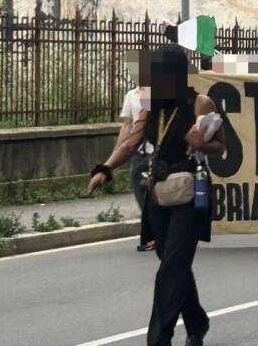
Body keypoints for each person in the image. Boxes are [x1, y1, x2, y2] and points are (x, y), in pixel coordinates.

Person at [89, 45, 225, 346]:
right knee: (170, 260)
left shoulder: (201, 103)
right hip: (159, 191)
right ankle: (197, 321)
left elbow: (221, 146)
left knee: (172, 267)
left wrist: (201, 142)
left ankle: (159, 339)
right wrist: (106, 168)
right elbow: (131, 140)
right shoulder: (152, 104)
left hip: (191, 191)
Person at [116, 84, 154, 252]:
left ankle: (156, 235)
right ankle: (154, 232)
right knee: (139, 190)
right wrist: (117, 153)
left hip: (157, 152)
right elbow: (127, 125)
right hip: (138, 152)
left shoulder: (161, 92)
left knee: (157, 194)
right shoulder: (131, 95)